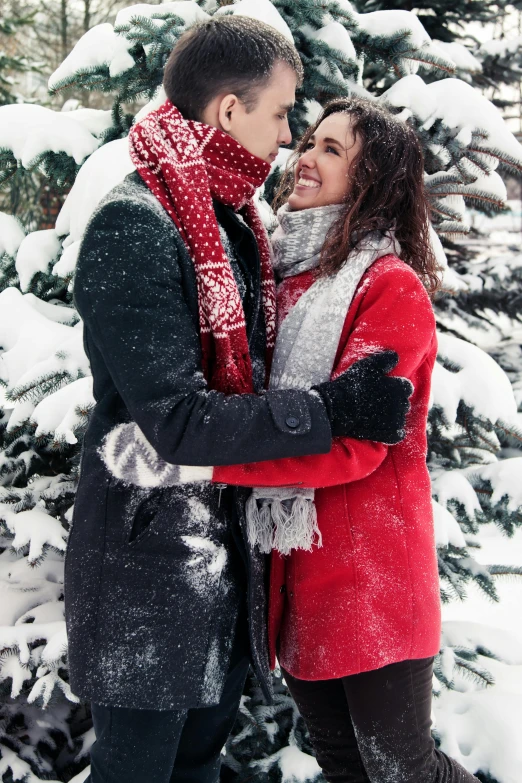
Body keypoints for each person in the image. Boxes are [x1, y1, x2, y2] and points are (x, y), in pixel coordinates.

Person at [68, 18, 412, 783]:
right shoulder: (137, 226)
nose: (289, 138)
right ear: (229, 112)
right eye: (284, 113)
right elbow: (178, 421)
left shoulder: (231, 224)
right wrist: (329, 412)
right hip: (148, 578)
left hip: (223, 572)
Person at [213, 99, 481, 782]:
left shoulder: (388, 286)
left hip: (372, 578)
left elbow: (354, 441)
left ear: (373, 181)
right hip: (298, 577)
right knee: (341, 762)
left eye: (333, 150)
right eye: (309, 140)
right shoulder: (279, 277)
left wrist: (205, 457)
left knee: (401, 770)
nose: (304, 156)